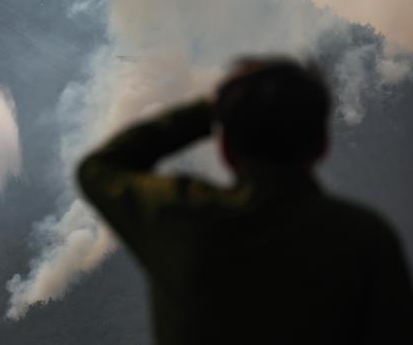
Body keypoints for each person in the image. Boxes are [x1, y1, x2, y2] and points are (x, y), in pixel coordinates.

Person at [77, 56, 413, 344]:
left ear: (226, 149)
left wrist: (209, 110)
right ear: (322, 144)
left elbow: (98, 170)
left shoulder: (181, 219)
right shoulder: (365, 239)